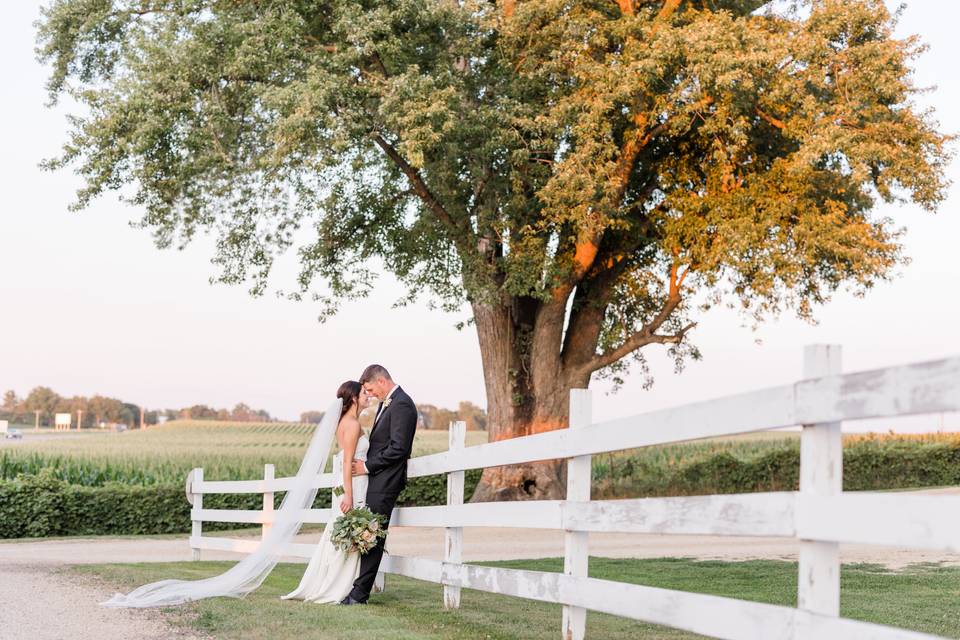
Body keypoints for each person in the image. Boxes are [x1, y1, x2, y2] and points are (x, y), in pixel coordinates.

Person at [282, 380, 372, 603]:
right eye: (364, 393)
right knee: (349, 533)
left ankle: (336, 581)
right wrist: (349, 495)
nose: (368, 396)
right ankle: (337, 586)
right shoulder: (352, 424)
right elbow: (346, 461)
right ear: (353, 398)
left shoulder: (344, 422)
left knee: (342, 531)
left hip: (346, 483)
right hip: (353, 485)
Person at [340, 364, 417, 605]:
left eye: (371, 388)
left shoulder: (402, 404)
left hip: (386, 481)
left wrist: (367, 466)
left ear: (382, 381)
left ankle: (359, 595)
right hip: (378, 481)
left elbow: (398, 448)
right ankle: (357, 591)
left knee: (373, 536)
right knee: (370, 534)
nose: (371, 394)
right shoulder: (389, 404)